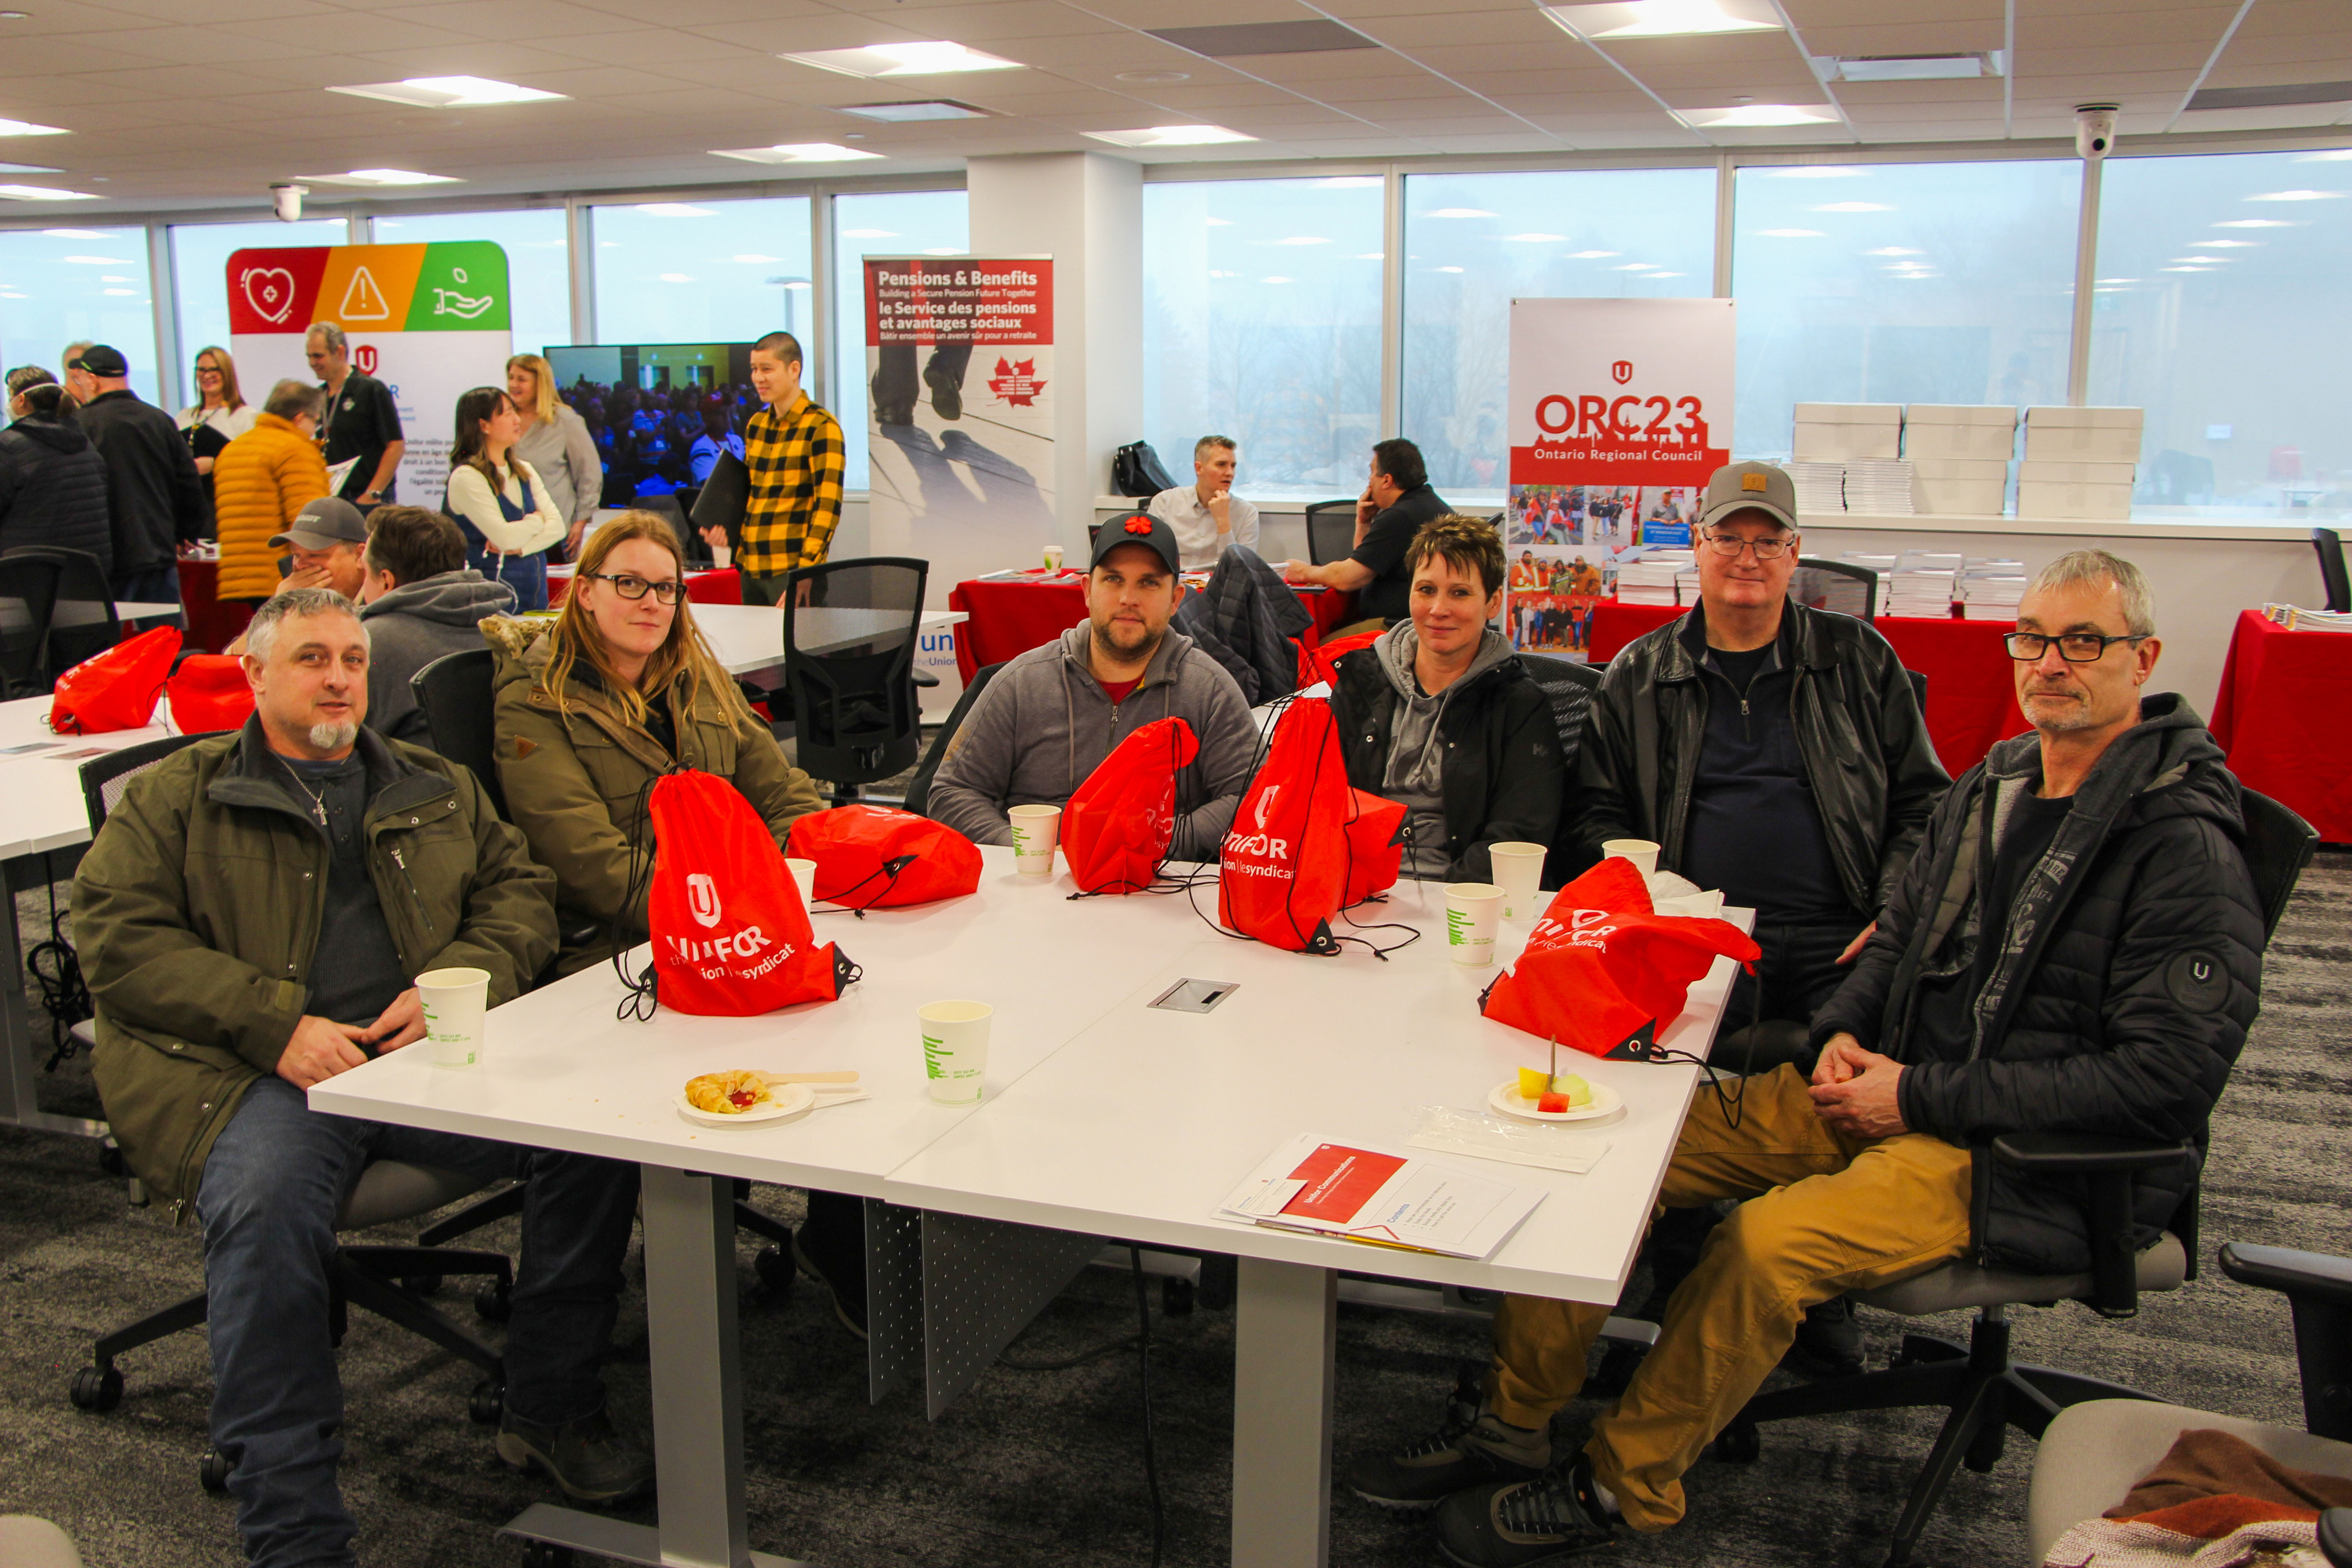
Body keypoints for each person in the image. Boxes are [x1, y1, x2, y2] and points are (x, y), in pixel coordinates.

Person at [1374, 548, 2264, 1565]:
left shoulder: (2179, 843)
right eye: (2034, 639)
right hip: (1897, 1089)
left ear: (2142, 657)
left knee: (1760, 1247)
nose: (2051, 663)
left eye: (2083, 643)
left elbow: (2167, 1081)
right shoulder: (2000, 783)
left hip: (2012, 1156)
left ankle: (1624, 1484)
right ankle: (1514, 1419)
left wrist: (1918, 1095)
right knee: (1596, 1142)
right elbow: (1899, 935)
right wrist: (1843, 1030)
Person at [71, 587, 653, 1568]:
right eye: (311, 658)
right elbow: (117, 941)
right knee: (263, 1212)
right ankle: (293, 1531)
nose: (340, 676)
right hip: (255, 1076)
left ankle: (548, 1403)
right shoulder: (180, 795)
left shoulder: (430, 780)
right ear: (255, 673)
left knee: (596, 1133)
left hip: (424, 1058)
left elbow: (521, 894)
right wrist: (274, 1024)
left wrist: (455, 982)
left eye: (352, 658)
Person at [1565, 461, 1948, 1044]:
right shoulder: (1638, 673)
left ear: (1795, 554)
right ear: (1698, 544)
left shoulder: (1861, 659)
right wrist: (1667, 903)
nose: (1748, 559)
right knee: (1661, 1070)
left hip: (1842, 934)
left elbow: (1925, 804)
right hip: (1704, 933)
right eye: (1728, 538)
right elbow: (1595, 816)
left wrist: (1892, 913)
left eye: (1769, 542)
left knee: (1875, 1066)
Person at [487, 508, 822, 976]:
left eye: (666, 588)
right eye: (630, 584)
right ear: (585, 592)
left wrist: (778, 886)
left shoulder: (700, 678)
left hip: (747, 928)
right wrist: (724, 908)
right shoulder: (536, 701)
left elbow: (784, 791)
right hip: (624, 948)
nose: (652, 603)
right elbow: (589, 860)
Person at [926, 512, 1259, 862]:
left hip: (1157, 887)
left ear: (1176, 599)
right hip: (1037, 888)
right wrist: (1031, 852)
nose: (1128, 598)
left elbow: (1251, 794)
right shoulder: (1021, 683)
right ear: (1087, 590)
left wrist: (1155, 842)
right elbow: (953, 791)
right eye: (1114, 579)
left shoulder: (1210, 689)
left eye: (1148, 583)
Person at [1329, 516, 1561, 883]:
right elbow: (1318, 799)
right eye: (1426, 590)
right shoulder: (1362, 680)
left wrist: (1452, 905)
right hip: (1352, 886)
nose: (1439, 609)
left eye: (1460, 593)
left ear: (1493, 603)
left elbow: (1517, 836)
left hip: (1460, 897)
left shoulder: (1519, 703)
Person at [696, 331, 843, 607]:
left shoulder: (822, 426)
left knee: (794, 650)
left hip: (791, 570)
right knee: (756, 648)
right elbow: (750, 496)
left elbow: (827, 508)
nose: (758, 378)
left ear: (794, 369)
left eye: (767, 369)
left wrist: (806, 571)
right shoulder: (757, 425)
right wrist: (724, 528)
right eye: (754, 369)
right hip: (750, 567)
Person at [357, 505, 517, 743]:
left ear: (386, 581)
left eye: (365, 572)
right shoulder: (510, 630)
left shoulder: (366, 644)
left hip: (414, 777)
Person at [65, 343, 206, 609]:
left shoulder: (81, 425)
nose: (79, 385)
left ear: (93, 380)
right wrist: (185, 533)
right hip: (160, 548)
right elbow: (188, 482)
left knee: (111, 642)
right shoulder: (160, 420)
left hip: (110, 555)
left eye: (79, 379)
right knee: (165, 637)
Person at [1282, 437, 1450, 633]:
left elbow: (1349, 578)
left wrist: (1303, 572)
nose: (1369, 480)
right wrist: (1363, 522)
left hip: (1396, 628)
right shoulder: (1426, 503)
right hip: (1414, 623)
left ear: (1387, 480)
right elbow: (1365, 561)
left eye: (1372, 472)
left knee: (1315, 652)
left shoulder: (1399, 517)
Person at [445, 386, 565, 611]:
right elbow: (504, 538)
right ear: (484, 426)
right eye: (507, 413)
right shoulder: (467, 477)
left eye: (515, 412)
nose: (517, 419)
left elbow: (558, 528)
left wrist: (522, 548)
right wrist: (537, 521)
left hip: (535, 596)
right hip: (490, 603)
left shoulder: (524, 470)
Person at [211, 379, 330, 603]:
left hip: (238, 576)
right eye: (314, 422)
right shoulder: (295, 449)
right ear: (300, 418)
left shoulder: (232, 449)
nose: (314, 431)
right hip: (281, 574)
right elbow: (309, 522)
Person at [0, 369, 112, 573]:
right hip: (89, 571)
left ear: (21, 400)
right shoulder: (84, 443)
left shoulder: (8, 446)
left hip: (30, 572)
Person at [505, 353, 603, 562]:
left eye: (521, 380)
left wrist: (580, 522)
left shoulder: (566, 422)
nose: (513, 385)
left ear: (540, 383)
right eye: (511, 378)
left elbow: (590, 474)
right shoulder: (502, 420)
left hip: (555, 534)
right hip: (510, 531)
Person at [306, 322, 404, 508]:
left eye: (318, 356)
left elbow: (396, 446)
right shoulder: (317, 398)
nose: (313, 363)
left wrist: (373, 493)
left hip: (367, 498)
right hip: (333, 499)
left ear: (340, 353)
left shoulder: (370, 390)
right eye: (309, 356)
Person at [1148, 434, 1259, 569]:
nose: (1230, 473)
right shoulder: (1165, 502)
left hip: (1218, 586)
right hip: (1173, 583)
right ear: (1199, 468)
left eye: (1233, 466)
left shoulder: (1247, 512)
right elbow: (1148, 555)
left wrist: (1223, 522)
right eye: (1221, 465)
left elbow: (1242, 570)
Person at [177, 344, 259, 490]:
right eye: (201, 370)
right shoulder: (184, 417)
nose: (207, 375)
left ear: (227, 373)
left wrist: (215, 464)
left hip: (227, 499)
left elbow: (253, 464)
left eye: (214, 369)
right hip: (188, 502)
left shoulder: (246, 416)